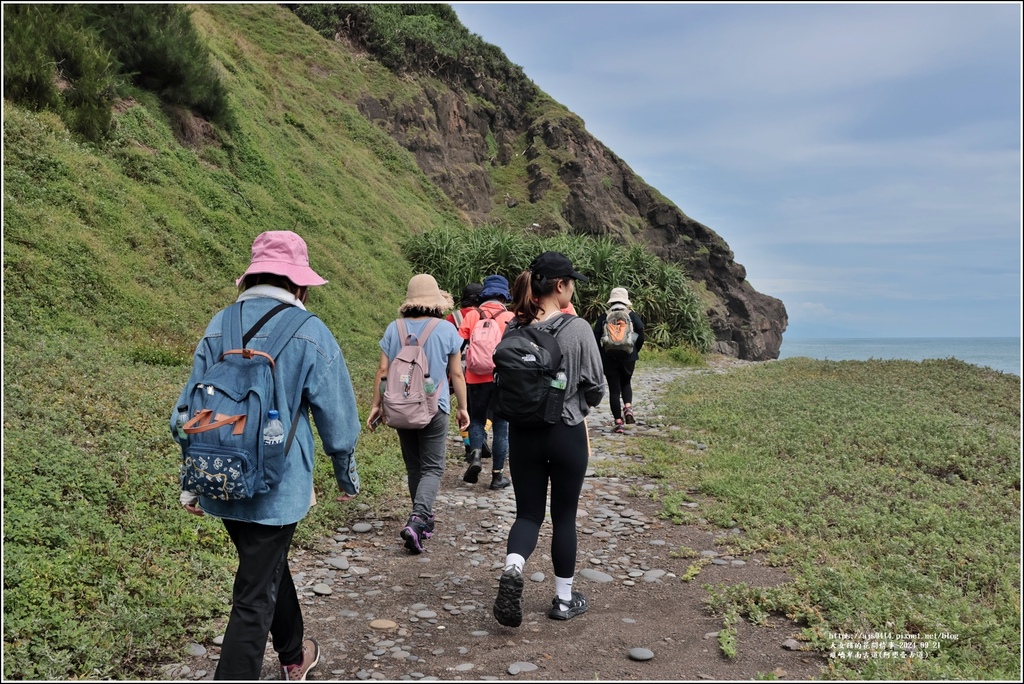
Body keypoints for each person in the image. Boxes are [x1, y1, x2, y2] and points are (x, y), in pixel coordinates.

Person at [173, 230, 361, 681]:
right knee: (254, 595)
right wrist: (344, 476)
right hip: (279, 486)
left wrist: (191, 480)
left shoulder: (220, 324)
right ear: (299, 284)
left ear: (252, 276)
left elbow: (187, 410)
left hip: (220, 474)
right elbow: (339, 420)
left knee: (266, 566)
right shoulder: (310, 332)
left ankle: (295, 656)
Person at [492, 252, 604, 627]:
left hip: (524, 435)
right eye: (572, 281)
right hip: (566, 433)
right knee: (564, 518)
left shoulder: (513, 329)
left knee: (527, 514)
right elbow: (596, 388)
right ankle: (563, 600)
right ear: (560, 286)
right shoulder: (578, 329)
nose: (573, 287)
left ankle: (513, 568)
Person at [366, 274, 470, 554]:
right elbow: (457, 374)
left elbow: (383, 371)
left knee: (414, 467)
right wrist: (463, 408)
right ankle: (419, 517)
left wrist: (377, 405)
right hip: (434, 407)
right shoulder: (447, 330)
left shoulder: (393, 328)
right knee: (433, 467)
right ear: (436, 302)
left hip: (400, 407)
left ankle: (420, 519)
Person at [457, 274, 514, 489]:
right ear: (504, 295)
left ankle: (477, 457)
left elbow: (459, 347)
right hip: (503, 378)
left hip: (475, 377)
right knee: (501, 426)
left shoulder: (472, 315)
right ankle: (497, 476)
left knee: (477, 420)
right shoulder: (510, 316)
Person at [592, 287, 646, 434]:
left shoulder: (604, 316)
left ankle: (618, 423)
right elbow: (641, 335)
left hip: (609, 358)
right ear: (625, 301)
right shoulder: (631, 315)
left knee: (614, 390)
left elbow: (595, 337)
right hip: (629, 356)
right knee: (626, 382)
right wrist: (634, 351)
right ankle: (628, 407)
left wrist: (602, 353)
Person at [445, 283, 488, 460]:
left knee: (461, 407)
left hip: (455, 369)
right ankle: (481, 434)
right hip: (479, 368)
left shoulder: (452, 318)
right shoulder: (483, 315)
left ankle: (469, 446)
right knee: (479, 407)